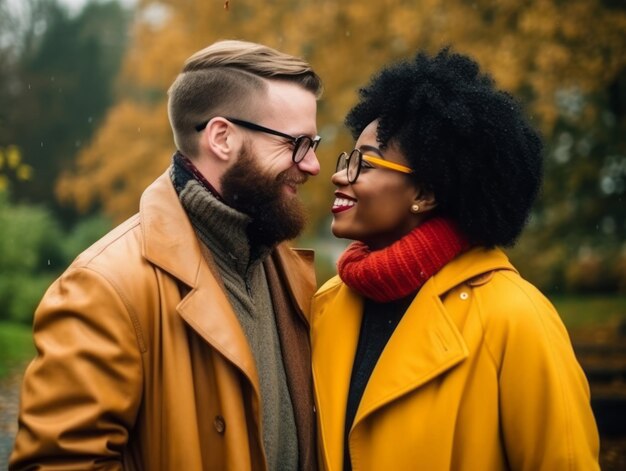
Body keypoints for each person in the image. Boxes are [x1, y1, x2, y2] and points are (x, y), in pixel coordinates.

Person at [10, 40, 322, 471]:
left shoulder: (291, 271)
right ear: (222, 138)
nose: (313, 166)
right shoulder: (105, 287)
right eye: (298, 144)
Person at [310, 48, 600, 470]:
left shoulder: (516, 316)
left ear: (426, 194)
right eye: (347, 160)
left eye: (366, 164)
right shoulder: (327, 303)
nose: (340, 175)